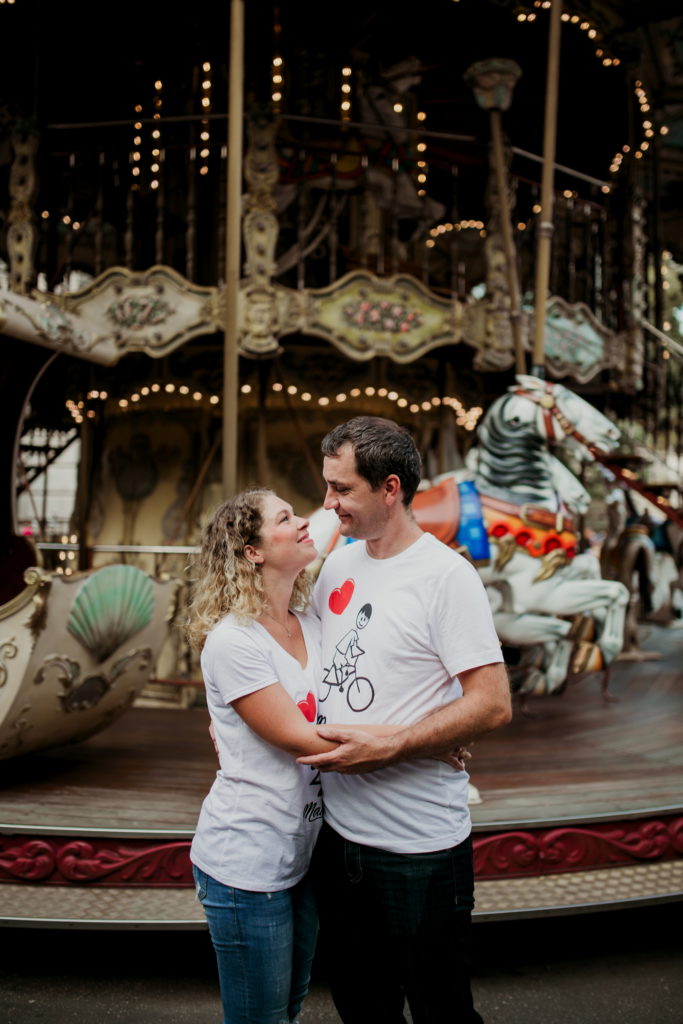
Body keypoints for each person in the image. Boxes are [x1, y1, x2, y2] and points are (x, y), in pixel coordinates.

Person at [298, 415, 512, 1024]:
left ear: (390, 488)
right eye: (328, 485)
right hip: (339, 840)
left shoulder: (446, 577)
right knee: (362, 1007)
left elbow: (492, 700)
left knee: (442, 1008)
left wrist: (399, 744)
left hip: (419, 847)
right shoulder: (338, 563)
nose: (328, 502)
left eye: (342, 489)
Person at [185, 487, 419, 1024]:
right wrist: (421, 742)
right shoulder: (233, 641)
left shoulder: (311, 624)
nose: (302, 523)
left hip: (307, 851)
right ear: (252, 552)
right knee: (261, 1018)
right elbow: (300, 740)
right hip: (247, 856)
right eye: (285, 518)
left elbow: (356, 701)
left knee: (289, 1008)